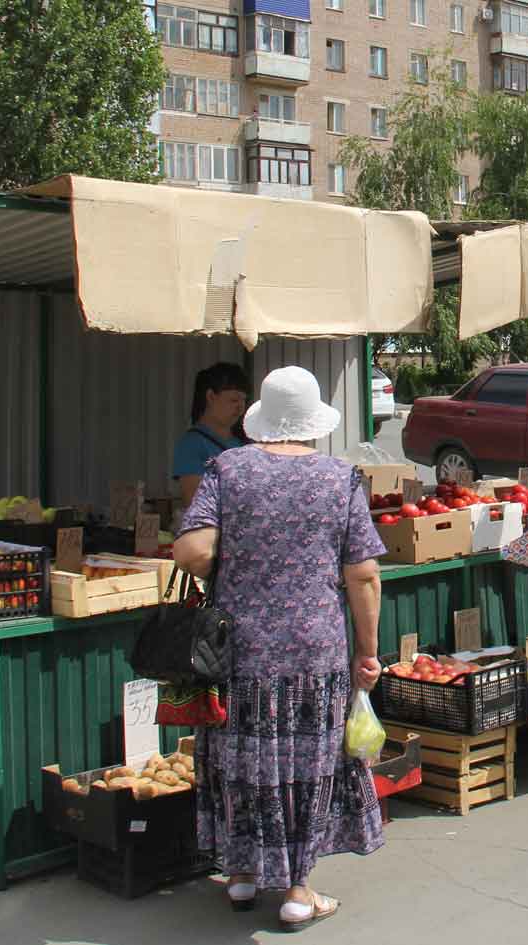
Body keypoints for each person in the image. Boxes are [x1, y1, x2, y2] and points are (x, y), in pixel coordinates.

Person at [172, 366, 385, 931]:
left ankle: (241, 875)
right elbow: (363, 575)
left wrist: (234, 548)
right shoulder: (339, 478)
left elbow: (192, 552)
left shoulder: (226, 468)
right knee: (308, 765)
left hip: (238, 650)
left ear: (259, 419)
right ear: (313, 423)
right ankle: (298, 888)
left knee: (241, 758)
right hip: (314, 650)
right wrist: (368, 651)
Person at [172, 363, 250, 505]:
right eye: (234, 400)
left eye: (244, 400)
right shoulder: (191, 444)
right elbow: (195, 503)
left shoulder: (246, 442)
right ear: (211, 396)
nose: (240, 408)